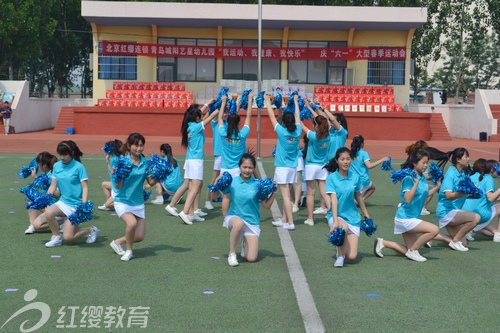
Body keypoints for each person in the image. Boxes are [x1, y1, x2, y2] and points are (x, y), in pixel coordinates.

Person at [374, 150, 445, 262]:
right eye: (423, 162)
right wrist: (415, 184)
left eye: (427, 162)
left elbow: (424, 194)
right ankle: (413, 251)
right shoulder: (409, 178)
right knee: (434, 230)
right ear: (415, 163)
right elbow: (407, 199)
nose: (425, 165)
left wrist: (437, 188)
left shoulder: (421, 177)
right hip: (405, 218)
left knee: (409, 250)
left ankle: (382, 243)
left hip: (411, 218)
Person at [214, 153, 277, 266]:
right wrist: (217, 181)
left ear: (253, 168)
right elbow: (214, 196)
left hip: (252, 222)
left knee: (251, 258)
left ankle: (245, 243)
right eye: (244, 167)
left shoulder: (258, 184)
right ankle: (232, 254)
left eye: (250, 167)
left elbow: (266, 206)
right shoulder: (231, 181)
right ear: (239, 167)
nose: (247, 170)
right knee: (239, 223)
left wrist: (274, 192)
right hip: (234, 219)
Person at [39, 141, 100, 248]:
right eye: (60, 154)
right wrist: (46, 197)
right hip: (63, 202)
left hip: (76, 205)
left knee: (68, 238)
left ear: (72, 152)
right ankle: (57, 237)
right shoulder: (57, 166)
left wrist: (84, 205)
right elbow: (53, 185)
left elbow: (85, 187)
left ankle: (91, 230)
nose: (62, 157)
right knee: (49, 213)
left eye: (65, 154)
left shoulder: (79, 167)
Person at [109, 133, 158, 261]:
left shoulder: (146, 163)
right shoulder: (122, 162)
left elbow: (151, 182)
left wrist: (160, 175)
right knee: (132, 223)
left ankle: (117, 242)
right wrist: (120, 175)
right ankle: (129, 251)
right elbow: (118, 186)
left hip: (138, 203)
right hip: (123, 201)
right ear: (129, 146)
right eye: (136, 145)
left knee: (139, 237)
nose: (139, 148)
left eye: (141, 145)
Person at [324, 147, 371, 267]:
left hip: (353, 218)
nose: (345, 162)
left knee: (352, 257)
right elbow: (333, 200)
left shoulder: (355, 177)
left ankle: (341, 247)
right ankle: (340, 256)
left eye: (348, 159)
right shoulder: (331, 178)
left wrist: (366, 213)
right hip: (336, 215)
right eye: (342, 159)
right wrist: (335, 221)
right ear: (337, 160)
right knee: (342, 227)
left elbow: (359, 196)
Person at [264, 93, 302, 230]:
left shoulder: (281, 131)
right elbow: (298, 116)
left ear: (284, 122)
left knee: (285, 196)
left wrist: (267, 101)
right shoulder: (298, 131)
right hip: (292, 167)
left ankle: (291, 223)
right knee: (286, 194)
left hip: (282, 167)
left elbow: (271, 116)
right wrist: (296, 102)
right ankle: (284, 220)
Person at [176, 105, 219, 225]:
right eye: (200, 116)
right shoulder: (195, 127)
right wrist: (219, 109)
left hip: (190, 160)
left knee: (193, 187)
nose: (202, 117)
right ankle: (184, 212)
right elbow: (209, 118)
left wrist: (209, 105)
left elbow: (205, 116)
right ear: (197, 118)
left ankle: (191, 213)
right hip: (196, 161)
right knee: (195, 188)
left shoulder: (190, 126)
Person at [435, 148, 480, 251]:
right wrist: (465, 192)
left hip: (453, 211)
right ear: (458, 159)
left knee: (463, 244)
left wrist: (472, 193)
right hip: (446, 211)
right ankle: (454, 242)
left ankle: (431, 236)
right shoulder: (451, 174)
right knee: (476, 218)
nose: (468, 159)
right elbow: (448, 196)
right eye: (466, 156)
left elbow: (460, 194)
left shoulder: (462, 173)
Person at [217, 93, 253, 219]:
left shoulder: (222, 133)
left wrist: (223, 102)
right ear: (239, 123)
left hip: (225, 169)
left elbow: (220, 118)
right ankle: (240, 216)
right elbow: (249, 116)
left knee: (226, 196)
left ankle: (225, 219)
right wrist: (250, 100)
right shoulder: (242, 135)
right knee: (239, 195)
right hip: (239, 171)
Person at [300, 114, 330, 226]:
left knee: (311, 194)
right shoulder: (328, 136)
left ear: (316, 125)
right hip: (323, 167)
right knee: (325, 193)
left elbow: (301, 124)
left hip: (311, 167)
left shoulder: (313, 136)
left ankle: (310, 219)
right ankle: (332, 215)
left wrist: (297, 109)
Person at [24, 152, 63, 234]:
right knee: (31, 202)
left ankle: (62, 222)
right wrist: (35, 177)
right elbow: (43, 181)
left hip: (56, 208)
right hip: (48, 206)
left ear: (44, 165)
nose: (38, 165)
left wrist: (44, 185)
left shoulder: (53, 176)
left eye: (39, 163)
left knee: (37, 225)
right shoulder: (46, 175)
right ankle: (32, 226)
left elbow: (57, 194)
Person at [462, 159, 500, 241]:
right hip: (481, 214)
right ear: (492, 169)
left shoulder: (471, 177)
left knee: (492, 233)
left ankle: (469, 228)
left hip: (466, 214)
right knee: (497, 232)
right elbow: (490, 198)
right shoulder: (488, 178)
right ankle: (498, 234)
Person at [349, 135, 389, 202]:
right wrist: (382, 160)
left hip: (351, 180)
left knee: (354, 195)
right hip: (362, 180)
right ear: (361, 144)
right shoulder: (364, 153)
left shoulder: (349, 153)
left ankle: (357, 201)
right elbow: (369, 166)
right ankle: (361, 200)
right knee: (372, 187)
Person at [204, 98, 223, 210]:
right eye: (223, 111)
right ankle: (207, 201)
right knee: (214, 178)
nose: (225, 114)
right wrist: (219, 103)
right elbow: (214, 114)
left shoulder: (227, 122)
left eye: (226, 112)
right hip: (219, 155)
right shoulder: (215, 122)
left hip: (227, 155)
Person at [98, 139, 123, 210]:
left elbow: (112, 172)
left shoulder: (114, 159)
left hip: (118, 187)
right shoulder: (120, 156)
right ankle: (109, 201)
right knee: (104, 184)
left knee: (107, 205)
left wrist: (107, 161)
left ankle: (124, 203)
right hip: (116, 185)